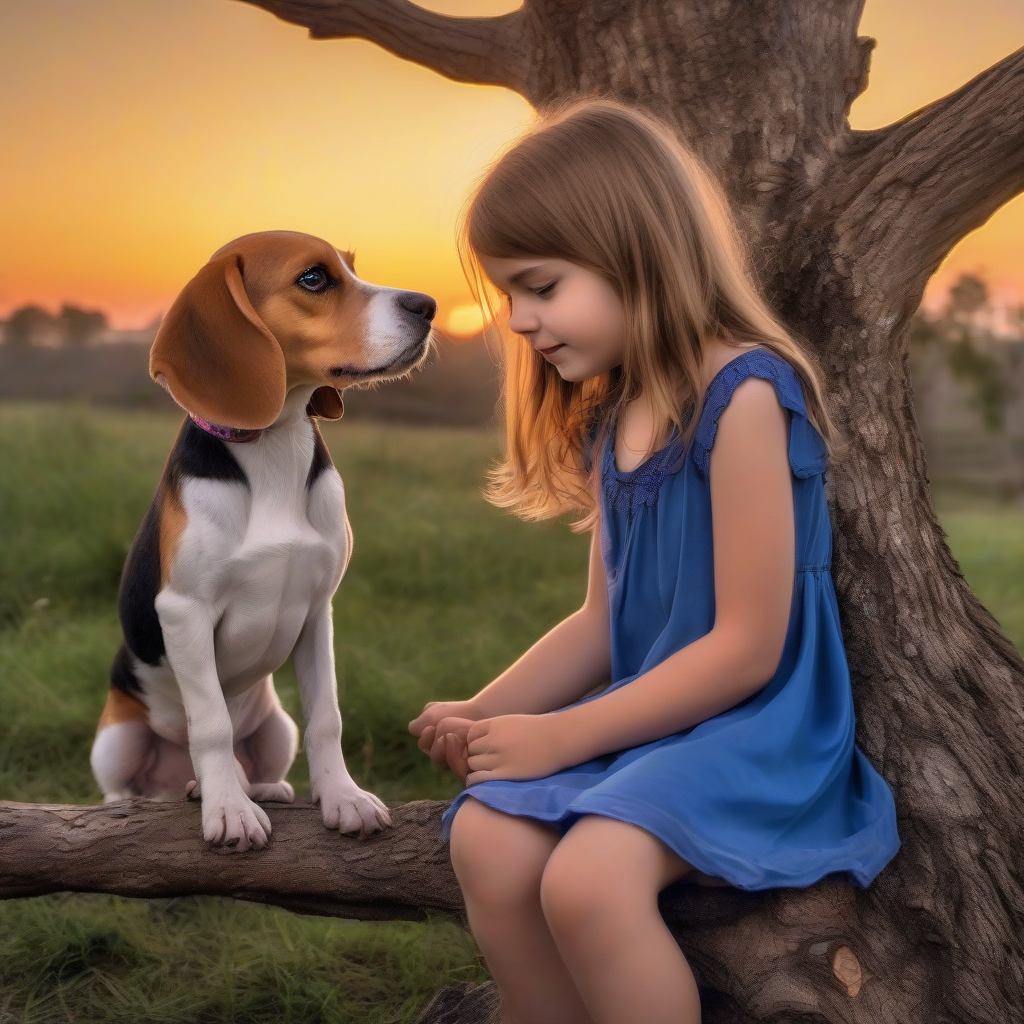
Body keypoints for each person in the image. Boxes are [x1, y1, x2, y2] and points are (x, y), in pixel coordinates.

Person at [407, 98, 900, 1024]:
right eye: (509, 294)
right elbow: (601, 622)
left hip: (755, 729)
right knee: (487, 839)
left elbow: (749, 649)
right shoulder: (612, 412)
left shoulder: (746, 393)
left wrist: (558, 737)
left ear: (634, 250)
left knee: (590, 882)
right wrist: (488, 711)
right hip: (650, 719)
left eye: (541, 287)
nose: (517, 320)